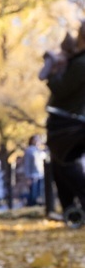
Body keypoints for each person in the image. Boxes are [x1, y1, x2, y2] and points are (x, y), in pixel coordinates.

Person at [45, 22, 85, 223]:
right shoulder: (77, 60)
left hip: (69, 122)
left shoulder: (81, 63)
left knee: (66, 163)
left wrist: (52, 74)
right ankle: (71, 210)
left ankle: (75, 208)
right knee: (60, 166)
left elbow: (62, 89)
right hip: (68, 120)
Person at [22, 135, 45, 206]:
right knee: (33, 194)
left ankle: (37, 204)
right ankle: (29, 204)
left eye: (39, 139)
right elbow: (27, 164)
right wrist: (27, 177)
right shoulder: (29, 150)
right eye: (36, 139)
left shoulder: (40, 150)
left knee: (39, 193)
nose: (38, 141)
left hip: (41, 175)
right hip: (32, 175)